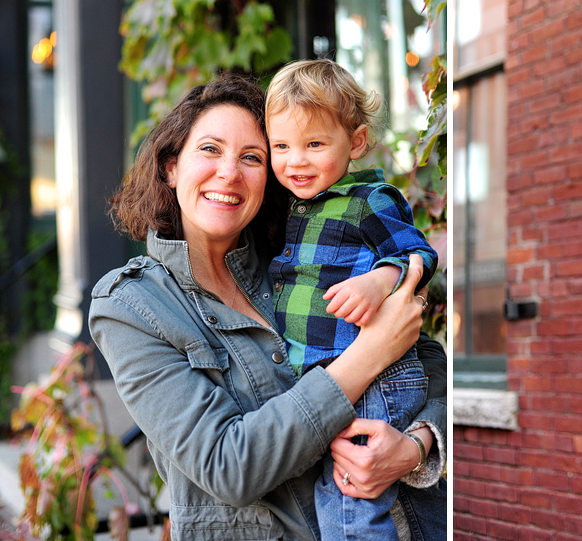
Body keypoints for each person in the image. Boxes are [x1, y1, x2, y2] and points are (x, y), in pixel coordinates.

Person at [88, 74, 447, 541]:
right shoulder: (132, 306)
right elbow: (227, 466)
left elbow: (426, 358)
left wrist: (417, 446)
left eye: (252, 157)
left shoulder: (299, 258)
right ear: (172, 166)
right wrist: (369, 355)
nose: (229, 174)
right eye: (210, 150)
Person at [264, 59, 439, 541]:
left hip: (374, 379)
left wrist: (379, 282)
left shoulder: (367, 200)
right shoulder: (292, 210)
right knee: (332, 500)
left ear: (356, 142)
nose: (295, 161)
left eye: (314, 144)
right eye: (281, 146)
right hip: (327, 380)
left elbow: (417, 253)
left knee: (352, 504)